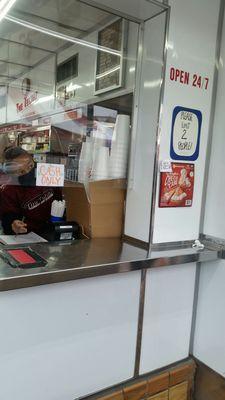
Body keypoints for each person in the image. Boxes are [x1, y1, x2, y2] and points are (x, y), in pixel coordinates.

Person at [1, 147, 62, 235]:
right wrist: (14, 224)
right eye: (21, 172)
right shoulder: (9, 190)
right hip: (30, 235)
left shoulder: (47, 173)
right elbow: (8, 217)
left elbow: (61, 196)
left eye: (30, 166)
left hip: (55, 227)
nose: (28, 171)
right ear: (13, 173)